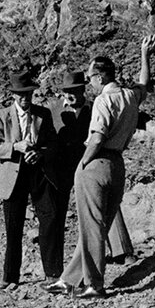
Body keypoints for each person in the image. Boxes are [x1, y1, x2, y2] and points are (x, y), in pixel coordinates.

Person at [46, 34, 155, 298]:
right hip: (118, 164)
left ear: (100, 77)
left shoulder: (102, 100)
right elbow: (144, 82)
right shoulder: (130, 96)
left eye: (91, 77)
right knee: (100, 223)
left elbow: (97, 137)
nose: (90, 83)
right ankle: (70, 279)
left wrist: (84, 162)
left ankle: (94, 284)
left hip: (95, 164)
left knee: (92, 225)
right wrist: (145, 54)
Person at [48, 71, 135, 279]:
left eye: (75, 91)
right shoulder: (55, 111)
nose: (71, 95)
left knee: (104, 209)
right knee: (56, 209)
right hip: (65, 165)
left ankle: (122, 250)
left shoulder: (94, 106)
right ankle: (56, 266)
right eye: (67, 92)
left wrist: (86, 160)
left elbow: (99, 135)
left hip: (90, 163)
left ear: (83, 90)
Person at [0, 71, 59, 288]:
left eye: (28, 94)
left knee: (49, 218)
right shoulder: (1, 117)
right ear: (13, 95)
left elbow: (53, 144)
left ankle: (52, 273)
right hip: (13, 174)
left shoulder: (43, 114)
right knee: (13, 225)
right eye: (20, 95)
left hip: (39, 172)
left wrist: (41, 153)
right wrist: (15, 147)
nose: (25, 99)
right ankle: (10, 276)